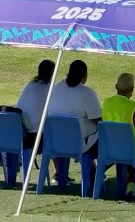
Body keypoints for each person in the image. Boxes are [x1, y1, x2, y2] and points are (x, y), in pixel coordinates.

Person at [49, 60, 103, 189]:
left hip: (55, 141)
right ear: (84, 76)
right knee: (104, 138)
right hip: (80, 144)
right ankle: (95, 171)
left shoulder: (55, 89)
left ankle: (90, 168)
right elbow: (98, 120)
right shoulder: (87, 93)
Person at [100, 72, 135, 199]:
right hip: (132, 151)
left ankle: (127, 183)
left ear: (116, 86)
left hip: (110, 148)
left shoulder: (107, 102)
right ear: (132, 90)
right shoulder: (134, 106)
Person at [16, 60, 56, 148]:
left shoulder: (30, 85)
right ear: (52, 74)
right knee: (57, 139)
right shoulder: (50, 90)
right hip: (35, 136)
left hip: (19, 131)